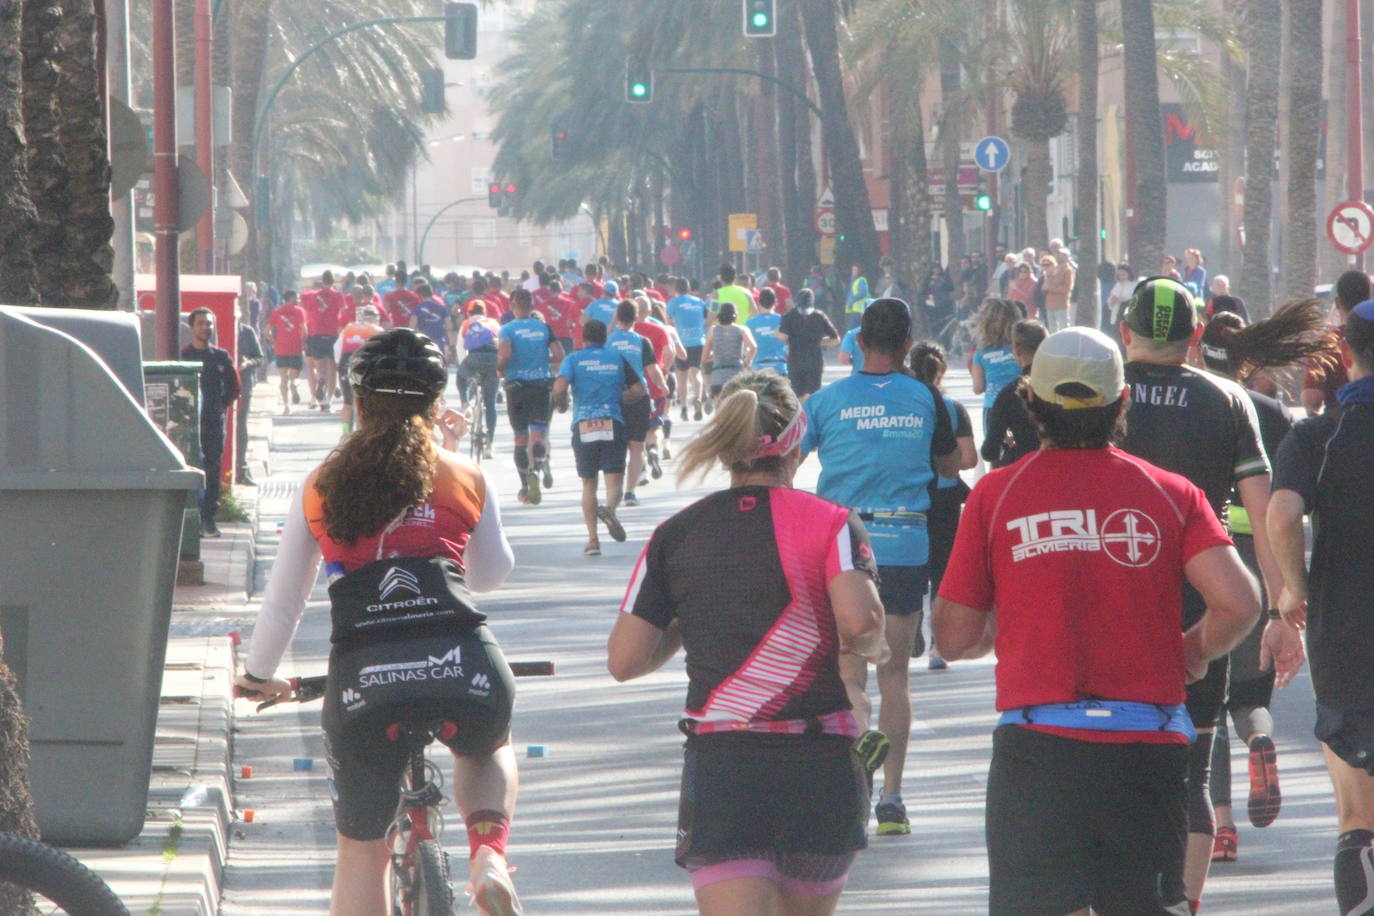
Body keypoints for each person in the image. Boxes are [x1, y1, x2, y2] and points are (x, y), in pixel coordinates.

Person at [933, 326, 1267, 916]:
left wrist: (1006, 628)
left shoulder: (996, 496)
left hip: (1039, 747)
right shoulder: (1171, 493)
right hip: (1148, 742)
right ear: (1123, 402)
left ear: (1030, 402)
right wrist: (1193, 651)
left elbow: (954, 637)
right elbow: (1239, 603)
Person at [231, 329, 522, 916]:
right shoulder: (464, 474)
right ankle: (488, 853)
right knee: (487, 745)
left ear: (357, 401)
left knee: (361, 853)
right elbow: (491, 575)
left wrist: (258, 675)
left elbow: (285, 601)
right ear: (436, 404)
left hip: (365, 679)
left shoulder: (322, 482)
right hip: (461, 661)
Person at [607, 370, 886, 916]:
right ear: (797, 445)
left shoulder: (676, 534)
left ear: (726, 447)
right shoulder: (833, 523)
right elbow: (858, 623)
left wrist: (688, 619)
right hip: (817, 760)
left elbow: (625, 660)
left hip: (726, 763)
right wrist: (873, 640)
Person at [1117, 276, 1301, 911]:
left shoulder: (1100, 397)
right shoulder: (1229, 401)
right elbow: (1267, 512)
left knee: (1107, 764)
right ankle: (1183, 905)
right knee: (1190, 767)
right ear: (1195, 337)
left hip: (1110, 603)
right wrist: (1281, 613)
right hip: (1204, 604)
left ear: (1125, 333)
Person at [800, 298, 959, 836]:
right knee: (895, 673)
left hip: (843, 543)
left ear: (858, 343)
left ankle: (854, 782)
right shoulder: (926, 399)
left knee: (848, 671)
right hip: (904, 538)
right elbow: (950, 465)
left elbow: (786, 458)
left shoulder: (824, 402)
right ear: (909, 345)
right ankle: (892, 799)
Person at [1198, 300, 1335, 862]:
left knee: (1208, 691)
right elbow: (1286, 501)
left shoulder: (1195, 407)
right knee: (1250, 692)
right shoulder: (1271, 412)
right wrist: (1287, 593)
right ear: (1249, 360)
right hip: (1261, 556)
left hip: (1209, 556)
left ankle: (1222, 824)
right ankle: (1260, 738)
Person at [1269, 298, 1374, 916]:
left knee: (1356, 813)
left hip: (1345, 631)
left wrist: (1295, 588)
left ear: (1345, 352)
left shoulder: (1318, 435)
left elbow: (1282, 513)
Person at [908, 342, 977, 670]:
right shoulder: (952, 409)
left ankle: (910, 623)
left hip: (908, 494)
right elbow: (969, 459)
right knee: (941, 571)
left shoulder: (904, 407)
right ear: (942, 371)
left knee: (911, 567)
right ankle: (937, 645)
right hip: (946, 497)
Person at [553, 319, 643, 556]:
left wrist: (561, 404)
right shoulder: (616, 358)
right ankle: (610, 510)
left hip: (584, 424)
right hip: (612, 422)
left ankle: (593, 540)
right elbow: (639, 390)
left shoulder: (573, 359)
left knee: (588, 484)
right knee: (614, 481)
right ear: (605, 337)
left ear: (584, 338)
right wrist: (617, 399)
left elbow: (559, 388)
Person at [499, 288, 563, 506]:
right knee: (538, 433)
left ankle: (525, 485)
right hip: (541, 386)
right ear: (532, 305)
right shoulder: (543, 327)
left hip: (516, 387)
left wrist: (500, 369)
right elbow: (559, 355)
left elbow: (505, 354)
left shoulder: (507, 329)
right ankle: (538, 462)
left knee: (520, 437)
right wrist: (543, 361)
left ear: (512, 305)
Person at [181, 308, 241, 538]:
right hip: (189, 424)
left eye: (209, 324)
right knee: (191, 467)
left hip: (214, 423)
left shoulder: (221, 357)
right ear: (192, 326)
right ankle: (191, 519)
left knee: (213, 470)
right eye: (200, 323)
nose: (205, 328)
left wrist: (222, 405)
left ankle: (208, 519)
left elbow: (235, 387)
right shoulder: (183, 356)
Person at [609, 301, 669, 507]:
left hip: (614, 398)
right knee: (636, 447)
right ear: (636, 318)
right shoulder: (642, 341)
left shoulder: (608, 341)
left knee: (617, 447)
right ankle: (630, 492)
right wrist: (663, 386)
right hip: (638, 397)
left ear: (617, 317)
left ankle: (613, 492)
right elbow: (653, 370)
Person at [1303, 270, 1374, 415]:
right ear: (1369, 297)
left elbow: (1312, 399)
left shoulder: (1326, 343)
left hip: (1340, 424)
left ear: (1337, 302)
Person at [981, 319, 1048, 469]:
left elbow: (990, 451)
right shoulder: (1062, 385)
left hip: (1026, 470)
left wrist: (1008, 445)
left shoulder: (1009, 394)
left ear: (1017, 350)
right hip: (1066, 471)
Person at [777, 288, 839, 401]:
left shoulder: (789, 316)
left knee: (797, 394)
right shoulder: (819, 316)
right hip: (814, 361)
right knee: (812, 394)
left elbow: (782, 336)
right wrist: (820, 341)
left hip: (795, 360)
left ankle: (801, 415)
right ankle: (810, 416)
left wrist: (777, 332)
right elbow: (836, 340)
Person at [458, 302, 502, 461]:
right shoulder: (494, 323)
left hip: (474, 359)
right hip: (493, 361)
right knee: (490, 404)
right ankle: (490, 443)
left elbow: (461, 349)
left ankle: (465, 404)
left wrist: (466, 370)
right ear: (485, 312)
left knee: (460, 375)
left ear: (469, 313)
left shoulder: (467, 324)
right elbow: (502, 344)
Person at [334, 305, 384, 437]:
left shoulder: (348, 328)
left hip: (346, 363)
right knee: (364, 401)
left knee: (347, 402)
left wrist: (338, 367)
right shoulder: (377, 330)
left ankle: (345, 433)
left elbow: (337, 350)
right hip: (366, 365)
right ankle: (361, 432)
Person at [668, 278, 711, 420]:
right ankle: (698, 399)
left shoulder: (673, 303)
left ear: (676, 289)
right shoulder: (699, 302)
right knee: (696, 373)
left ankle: (684, 408)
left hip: (681, 342)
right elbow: (708, 317)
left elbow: (668, 321)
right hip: (698, 341)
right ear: (688, 288)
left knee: (682, 377)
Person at [969, 299, 1023, 412]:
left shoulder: (980, 353)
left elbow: (978, 388)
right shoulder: (1022, 348)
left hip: (993, 405)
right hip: (1020, 404)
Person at [702, 302, 757, 404]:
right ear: (735, 316)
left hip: (718, 376)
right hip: (736, 375)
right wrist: (747, 361)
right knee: (737, 410)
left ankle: (709, 395)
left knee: (719, 411)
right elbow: (753, 347)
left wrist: (714, 356)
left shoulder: (713, 331)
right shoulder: (742, 330)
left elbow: (704, 358)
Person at [266, 290, 307, 415]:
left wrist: (273, 341)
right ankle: (295, 385)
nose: (298, 299)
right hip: (295, 347)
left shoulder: (277, 312)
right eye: (296, 297)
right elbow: (304, 330)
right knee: (295, 376)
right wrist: (304, 342)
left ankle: (286, 406)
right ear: (291, 298)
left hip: (281, 348)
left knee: (283, 379)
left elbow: (266, 331)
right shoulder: (299, 311)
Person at [236, 316, 264, 485]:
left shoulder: (247, 331)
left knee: (241, 424)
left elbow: (259, 358)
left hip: (244, 383)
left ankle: (241, 467)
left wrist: (247, 363)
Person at [746, 288, 787, 378]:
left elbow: (746, 348)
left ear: (759, 302)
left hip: (758, 368)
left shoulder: (750, 323)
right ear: (775, 302)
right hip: (779, 367)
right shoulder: (784, 320)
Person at [1042, 250, 1075, 332]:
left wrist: (1050, 288)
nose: (1060, 256)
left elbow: (1067, 288)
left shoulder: (1068, 270)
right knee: (1052, 329)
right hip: (1049, 304)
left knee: (1064, 328)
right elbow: (1045, 286)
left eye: (1063, 255)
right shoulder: (1052, 270)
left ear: (1067, 257)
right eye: (1059, 254)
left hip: (1061, 304)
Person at [1105, 263, 1137, 330]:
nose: (1121, 277)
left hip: (1127, 318)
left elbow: (1135, 300)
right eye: (1119, 275)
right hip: (1116, 318)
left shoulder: (1134, 285)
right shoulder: (1117, 285)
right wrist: (1112, 301)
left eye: (1123, 274)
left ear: (1129, 274)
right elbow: (1110, 303)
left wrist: (1123, 299)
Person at [844, 264, 871, 330]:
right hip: (852, 310)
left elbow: (863, 293)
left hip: (858, 310)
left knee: (854, 330)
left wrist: (852, 301)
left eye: (855, 270)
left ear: (859, 271)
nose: (853, 272)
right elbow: (850, 293)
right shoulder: (853, 280)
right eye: (853, 270)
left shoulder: (861, 280)